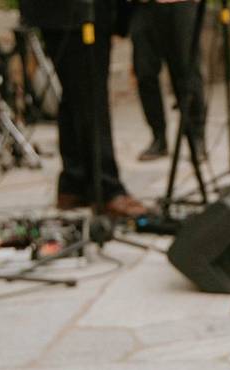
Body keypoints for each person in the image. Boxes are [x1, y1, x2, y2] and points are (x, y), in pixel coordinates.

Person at [19, 0, 147, 217]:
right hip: (76, 12)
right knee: (91, 95)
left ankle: (73, 182)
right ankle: (107, 189)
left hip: (62, 13)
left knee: (75, 94)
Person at [129, 0, 207, 162]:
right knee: (144, 72)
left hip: (180, 4)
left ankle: (197, 137)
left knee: (187, 71)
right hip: (143, 7)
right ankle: (158, 137)